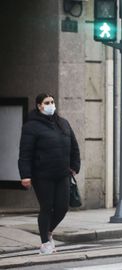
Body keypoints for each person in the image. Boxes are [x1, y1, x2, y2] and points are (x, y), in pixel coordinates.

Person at [18, 93, 80, 255]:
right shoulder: (31, 126)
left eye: (52, 102)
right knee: (46, 207)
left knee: (62, 208)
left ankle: (48, 231)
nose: (51, 104)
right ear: (39, 106)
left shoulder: (63, 123)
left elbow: (74, 146)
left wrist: (74, 166)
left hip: (62, 174)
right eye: (47, 102)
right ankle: (45, 243)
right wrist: (25, 175)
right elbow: (25, 153)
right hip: (42, 175)